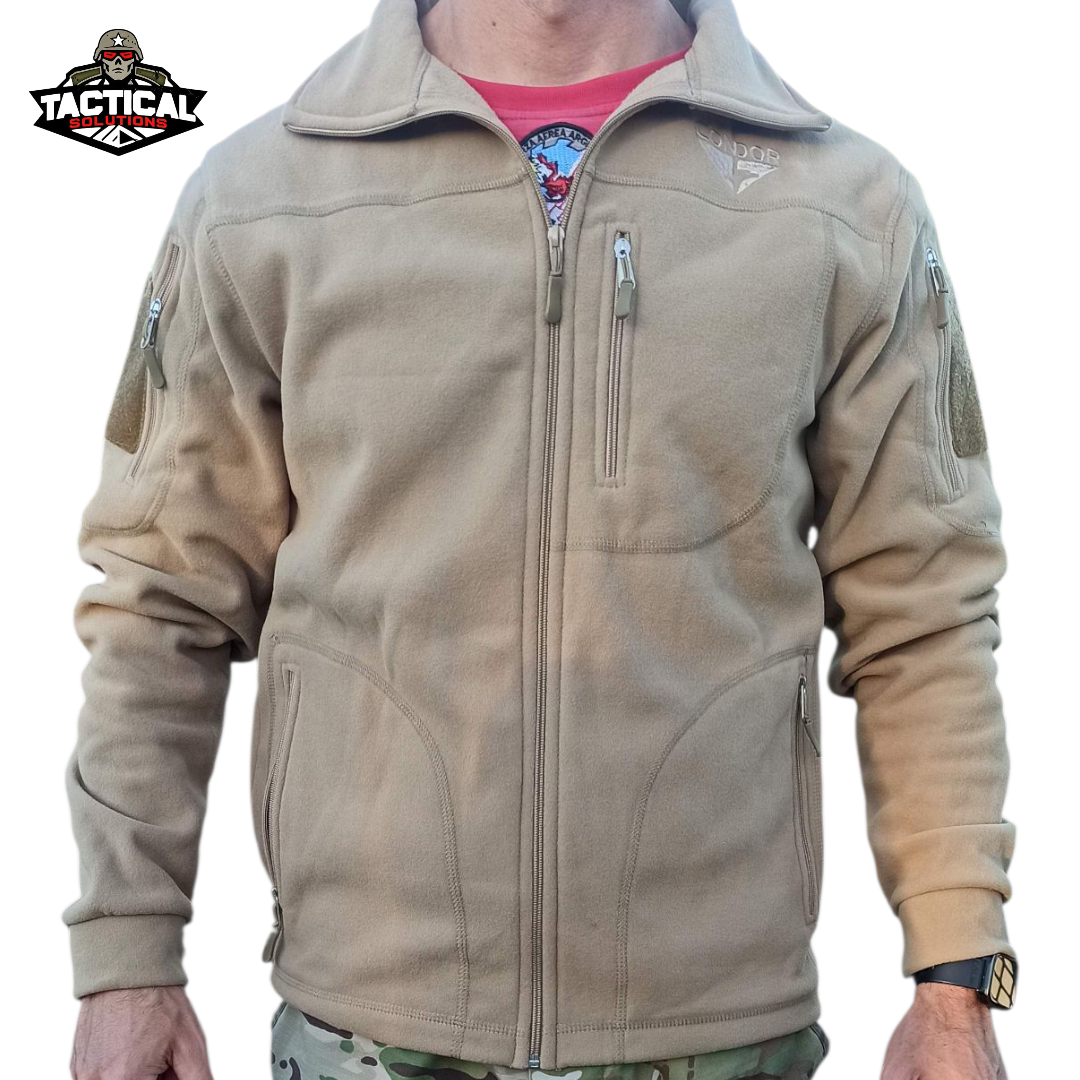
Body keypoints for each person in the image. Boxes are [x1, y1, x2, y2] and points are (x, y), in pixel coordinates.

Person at [64, 0, 1018, 1077]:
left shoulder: (844, 208)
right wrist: (125, 957)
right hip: (364, 1029)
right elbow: (161, 599)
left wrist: (957, 981)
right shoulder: (262, 199)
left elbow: (923, 612)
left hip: (719, 1032)